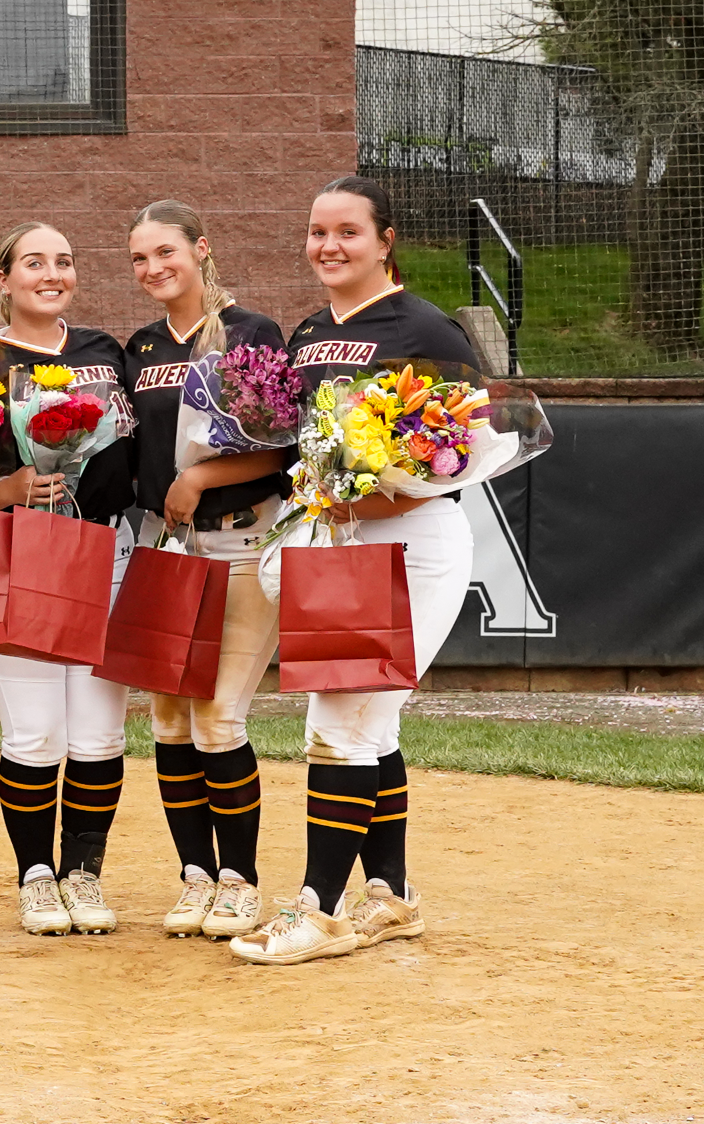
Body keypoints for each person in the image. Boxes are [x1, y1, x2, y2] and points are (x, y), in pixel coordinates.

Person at [230, 175, 483, 966]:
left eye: (348, 232)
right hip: (334, 544)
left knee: (339, 725)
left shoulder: (427, 328)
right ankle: (391, 897)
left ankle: (318, 911)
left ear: (385, 240)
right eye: (318, 232)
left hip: (410, 545)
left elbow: (461, 452)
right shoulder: (307, 333)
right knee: (372, 724)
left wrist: (368, 494)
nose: (329, 246)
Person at [0, 222, 136, 937]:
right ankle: (35, 877)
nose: (51, 273)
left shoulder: (102, 351)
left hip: (104, 551)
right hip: (13, 550)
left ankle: (83, 874)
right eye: (34, 262)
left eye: (64, 260)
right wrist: (16, 487)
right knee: (35, 734)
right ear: (4, 279)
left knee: (99, 734)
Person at [123, 200, 290, 940]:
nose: (154, 267)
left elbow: (281, 448)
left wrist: (200, 477)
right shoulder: (140, 347)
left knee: (220, 719)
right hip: (167, 546)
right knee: (168, 721)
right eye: (140, 258)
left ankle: (239, 882)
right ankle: (195, 876)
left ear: (201, 249)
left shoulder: (251, 333)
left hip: (242, 541)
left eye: (167, 251)